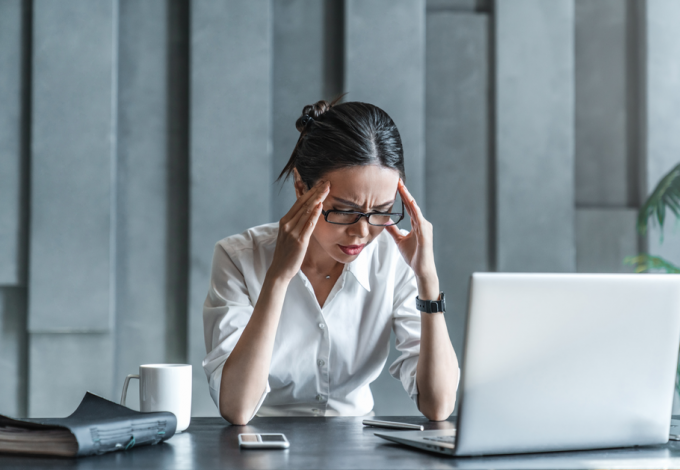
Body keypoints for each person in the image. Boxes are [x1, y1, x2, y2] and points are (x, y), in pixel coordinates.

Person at [202, 99, 459, 425]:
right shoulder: (238, 258)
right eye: (345, 210)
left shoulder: (396, 260)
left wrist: (427, 280)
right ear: (301, 187)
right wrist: (278, 277)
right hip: (263, 444)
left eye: (381, 211)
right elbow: (237, 409)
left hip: (360, 449)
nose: (362, 232)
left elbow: (439, 405)